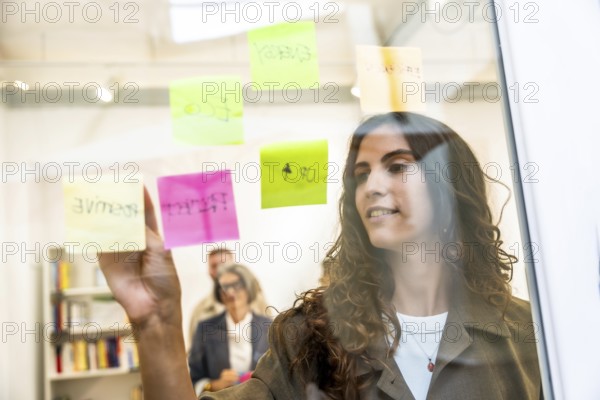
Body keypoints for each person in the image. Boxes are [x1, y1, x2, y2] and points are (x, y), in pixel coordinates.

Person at [99, 112, 542, 400]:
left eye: (399, 165)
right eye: (362, 173)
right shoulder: (310, 338)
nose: (372, 185)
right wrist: (155, 322)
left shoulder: (526, 335)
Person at [189, 263, 271, 395]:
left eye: (237, 285)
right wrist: (213, 385)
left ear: (248, 288)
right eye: (224, 287)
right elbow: (193, 378)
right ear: (219, 293)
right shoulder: (205, 329)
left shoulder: (269, 327)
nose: (231, 292)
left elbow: (280, 374)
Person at [188, 248, 271, 348]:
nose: (220, 269)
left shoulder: (257, 303)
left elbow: (271, 340)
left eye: (224, 264)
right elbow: (194, 351)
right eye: (214, 266)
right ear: (209, 270)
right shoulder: (200, 311)